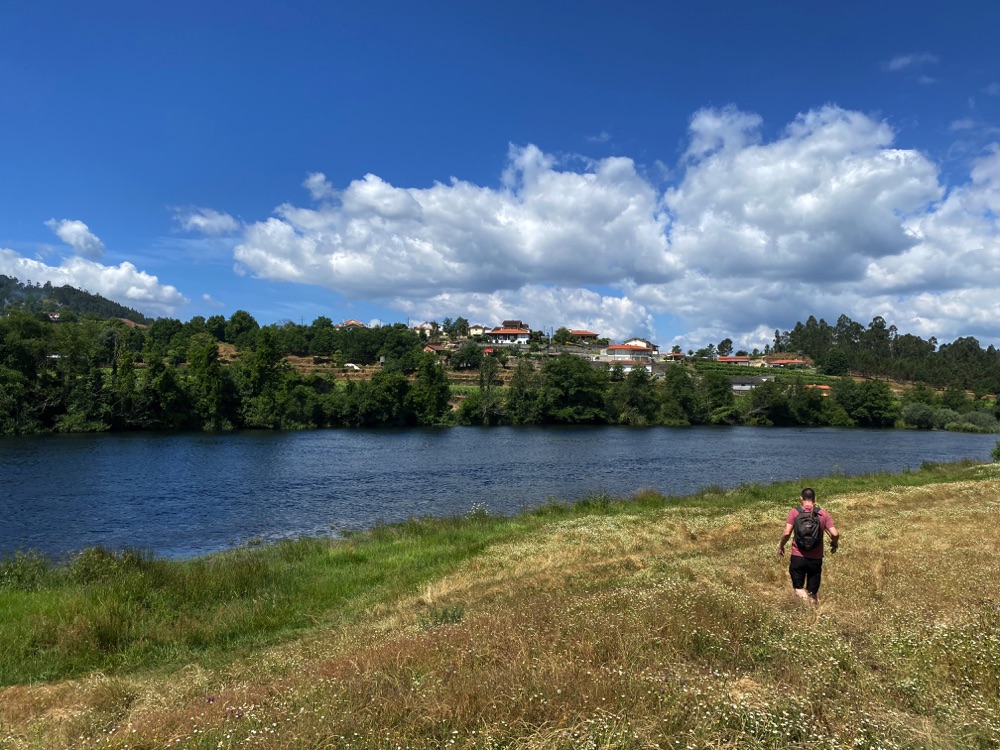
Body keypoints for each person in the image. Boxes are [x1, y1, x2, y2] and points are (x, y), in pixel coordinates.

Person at [777, 487, 839, 604]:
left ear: (801, 498)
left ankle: (807, 609)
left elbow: (786, 533)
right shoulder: (822, 514)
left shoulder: (795, 512)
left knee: (799, 588)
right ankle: (813, 614)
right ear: (815, 498)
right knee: (813, 592)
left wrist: (781, 546)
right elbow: (835, 534)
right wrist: (834, 543)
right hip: (816, 559)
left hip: (798, 557)